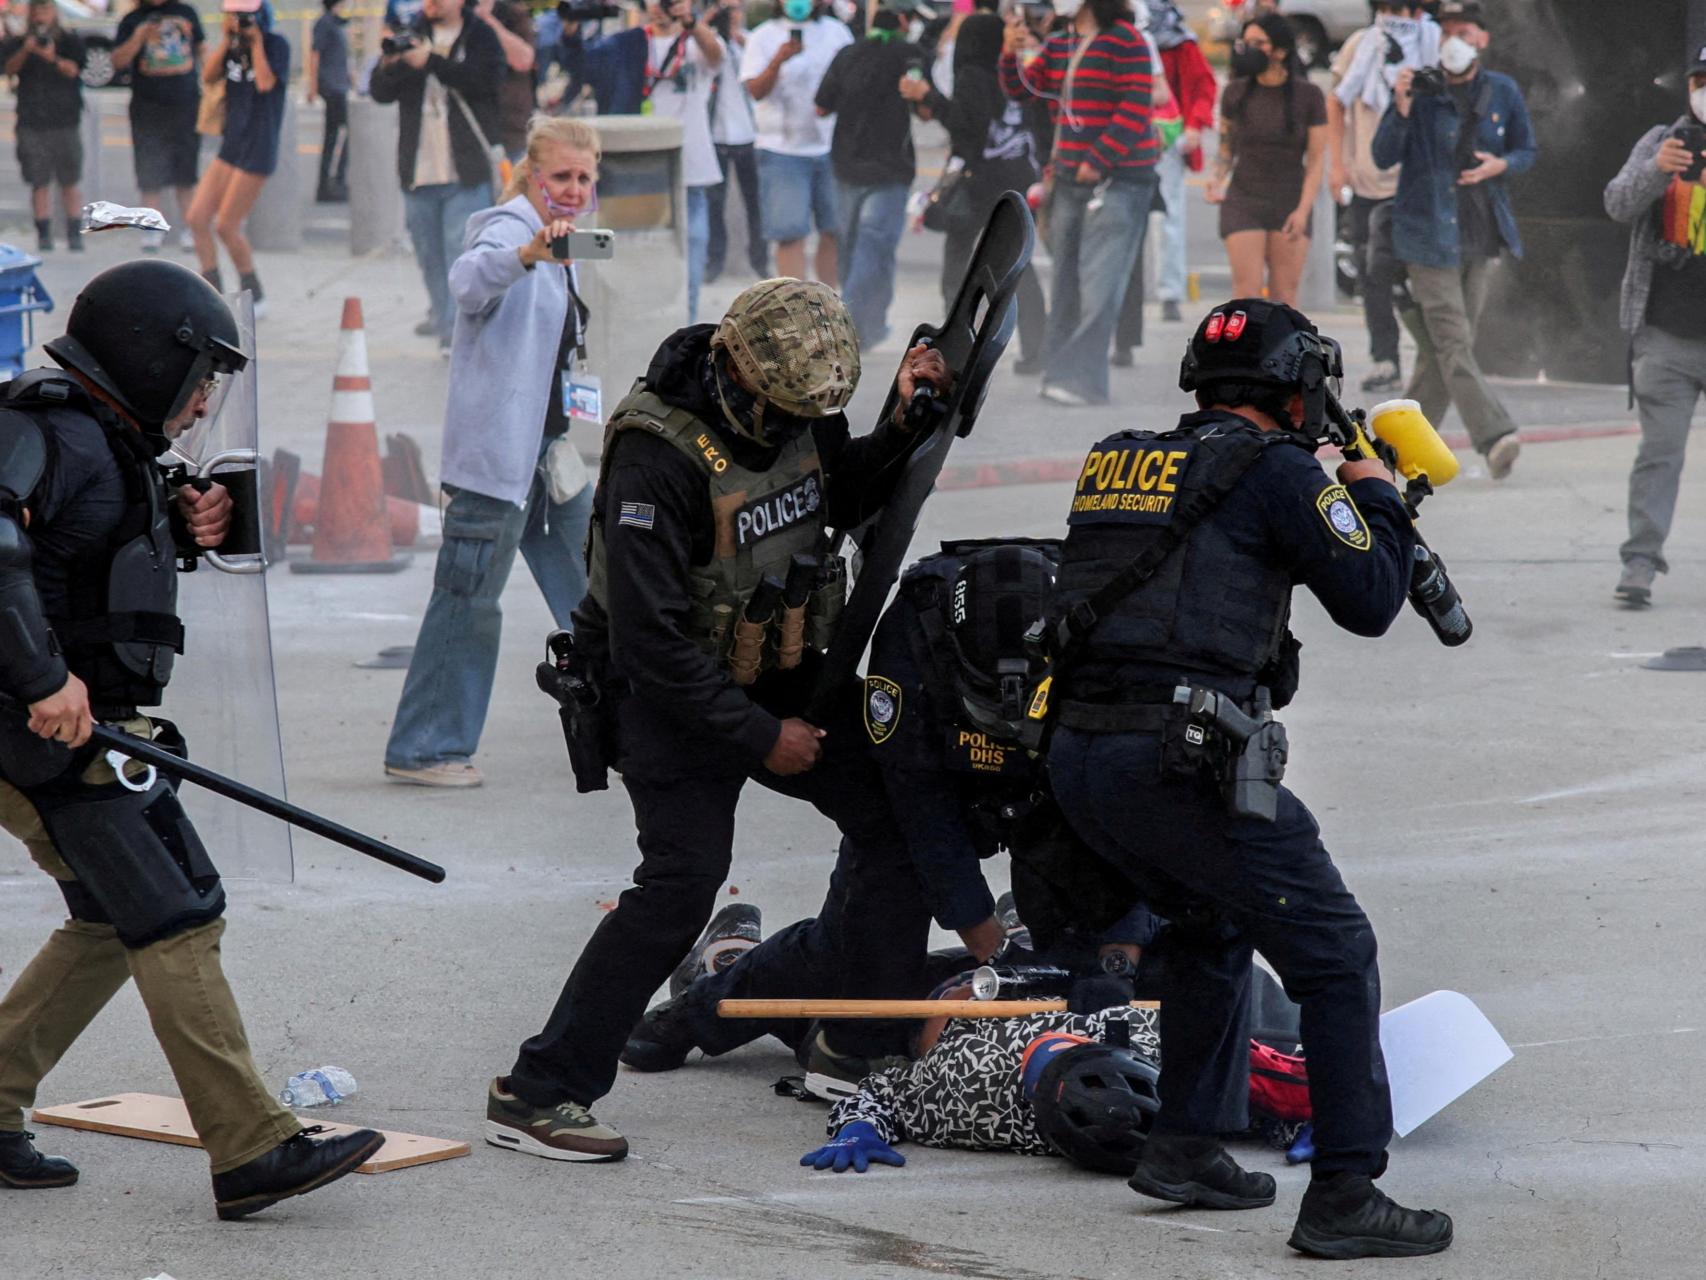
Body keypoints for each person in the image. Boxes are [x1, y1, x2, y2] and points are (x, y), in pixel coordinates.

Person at [486, 279, 949, 1162]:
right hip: (667, 697)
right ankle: (540, 1090)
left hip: (777, 668)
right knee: (678, 893)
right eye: (778, 412)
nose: (789, 428)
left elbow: (834, 498)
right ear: (735, 364)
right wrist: (760, 737)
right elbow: (650, 643)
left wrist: (898, 421)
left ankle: (854, 1037)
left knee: (897, 811)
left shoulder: (799, 403)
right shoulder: (654, 456)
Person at [1042, 298, 1452, 1260]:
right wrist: (1377, 493)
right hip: (1184, 758)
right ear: (1299, 389)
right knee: (1335, 952)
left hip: (1080, 758)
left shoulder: (1120, 454)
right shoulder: (1274, 472)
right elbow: (1370, 600)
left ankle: (1184, 1144)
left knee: (1209, 923)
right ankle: (1348, 1191)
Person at [0, 259, 383, 1217]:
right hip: (40, 724)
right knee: (176, 913)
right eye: (198, 373)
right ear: (144, 354)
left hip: (74, 725)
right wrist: (43, 678)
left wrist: (178, 518)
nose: (204, 395)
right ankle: (252, 1148)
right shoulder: (45, 426)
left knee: (108, 916)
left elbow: (77, 551)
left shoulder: (106, 438)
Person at [622, 540, 1160, 1080]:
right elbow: (924, 818)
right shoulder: (911, 640)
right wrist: (991, 949)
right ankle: (705, 999)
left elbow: (1129, 810)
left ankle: (1020, 951)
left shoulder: (1104, 633)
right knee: (864, 994)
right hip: (930, 785)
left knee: (1120, 975)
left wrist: (1118, 955)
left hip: (1055, 789)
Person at [384, 117, 600, 789]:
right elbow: (469, 281)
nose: (573, 188)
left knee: (602, 591)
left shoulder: (566, 244)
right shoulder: (507, 230)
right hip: (497, 464)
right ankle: (423, 747)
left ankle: (630, 725)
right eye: (560, 176)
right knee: (468, 600)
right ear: (533, 176)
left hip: (548, 456)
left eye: (585, 177)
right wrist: (527, 254)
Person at [1373, 0, 1534, 479]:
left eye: (1464, 30)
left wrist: (1500, 165)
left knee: (1443, 349)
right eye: (1445, 32)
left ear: (1482, 38)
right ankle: (1495, 436)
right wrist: (1400, 106)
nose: (1454, 40)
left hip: (1480, 235)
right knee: (1454, 340)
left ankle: (1394, 451)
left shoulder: (1502, 90)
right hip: (1427, 237)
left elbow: (1526, 148)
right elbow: (1383, 155)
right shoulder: (1422, 88)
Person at [1000, 0, 1159, 408]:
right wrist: (1009, 52)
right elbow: (1024, 89)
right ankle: (1059, 374)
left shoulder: (1127, 41)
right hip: (1070, 178)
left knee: (1100, 284)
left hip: (1118, 179)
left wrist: (1098, 158)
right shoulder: (1061, 43)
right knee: (1066, 280)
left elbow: (1136, 105)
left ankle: (1083, 380)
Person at [1604, 47, 1706, 607]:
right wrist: (1655, 171)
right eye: (1699, 79)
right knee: (1659, 456)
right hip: (1666, 337)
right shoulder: (1661, 140)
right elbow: (1617, 203)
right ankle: (1640, 563)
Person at [902, 14, 1047, 377]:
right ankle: (1038, 350)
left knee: (958, 269)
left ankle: (955, 350)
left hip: (980, 184)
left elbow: (967, 129)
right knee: (1019, 271)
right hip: (1018, 179)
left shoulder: (973, 76)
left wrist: (929, 99)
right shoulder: (1016, 74)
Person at [371, 0, 504, 350]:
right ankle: (445, 322)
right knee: (429, 256)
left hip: (465, 169)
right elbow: (380, 92)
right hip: (418, 170)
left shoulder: (480, 35)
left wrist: (431, 62)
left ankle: (457, 333)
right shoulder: (410, 31)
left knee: (460, 255)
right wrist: (389, 62)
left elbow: (486, 83)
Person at [1328, 1, 1435, 394]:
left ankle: (1432, 357)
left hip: (1416, 184)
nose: (1401, 20)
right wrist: (1337, 165)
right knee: (1372, 273)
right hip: (1368, 180)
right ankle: (1385, 358)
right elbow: (1337, 101)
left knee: (1416, 279)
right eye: (1393, 10)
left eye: (1409, 12)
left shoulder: (1432, 46)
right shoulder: (1361, 44)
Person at [814, 0, 926, 347]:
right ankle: (855, 322)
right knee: (875, 246)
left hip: (847, 165)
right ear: (904, 22)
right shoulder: (911, 56)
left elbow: (820, 107)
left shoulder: (847, 54)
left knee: (853, 246)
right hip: (890, 169)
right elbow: (923, 108)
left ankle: (867, 325)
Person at [1208, 14, 1327, 307]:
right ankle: (1244, 353)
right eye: (1246, 42)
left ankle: (1282, 353)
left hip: (1289, 199)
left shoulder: (1308, 96)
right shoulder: (1235, 92)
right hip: (1245, 197)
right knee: (1246, 294)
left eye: (1258, 43)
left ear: (1279, 50)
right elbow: (1226, 148)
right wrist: (1216, 179)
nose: (1249, 49)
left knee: (1283, 297)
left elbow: (1315, 162)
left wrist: (1303, 210)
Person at [185, 0, 291, 312]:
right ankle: (211, 289)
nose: (238, 20)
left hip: (259, 146)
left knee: (227, 225)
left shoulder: (276, 45)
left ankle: (255, 294)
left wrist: (256, 41)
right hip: (231, 142)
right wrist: (227, 40)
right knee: (197, 217)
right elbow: (208, 75)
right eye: (233, 15)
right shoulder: (232, 47)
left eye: (244, 15)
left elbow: (265, 83)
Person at [741, 0, 854, 284]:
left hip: (830, 145)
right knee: (790, 233)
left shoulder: (836, 33)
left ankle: (828, 307)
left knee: (835, 230)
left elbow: (852, 81)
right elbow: (755, 90)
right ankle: (798, 310)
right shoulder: (763, 36)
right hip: (781, 150)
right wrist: (778, 60)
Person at [641, 0, 726, 324]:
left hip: (692, 164)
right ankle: (653, 321)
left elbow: (716, 56)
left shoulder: (697, 41)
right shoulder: (637, 42)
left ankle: (686, 321)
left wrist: (691, 23)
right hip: (646, 165)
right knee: (649, 251)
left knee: (692, 251)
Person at [1141, 0, 1215, 327]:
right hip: (1127, 135)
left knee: (1168, 218)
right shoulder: (1127, 39)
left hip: (1169, 139)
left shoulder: (1182, 45)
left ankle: (1170, 292)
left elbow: (1203, 86)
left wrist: (1194, 125)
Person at [113, 0, 206, 252]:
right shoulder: (133, 20)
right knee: (148, 168)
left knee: (186, 170)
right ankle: (151, 229)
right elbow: (118, 61)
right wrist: (140, 35)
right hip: (147, 103)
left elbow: (203, 48)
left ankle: (190, 228)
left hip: (184, 102)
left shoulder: (186, 13)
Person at [0, 0, 86, 254]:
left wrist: (52, 57)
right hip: (31, 120)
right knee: (39, 181)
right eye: (36, 11)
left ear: (55, 13)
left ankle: (74, 233)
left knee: (69, 180)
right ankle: (43, 234)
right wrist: (27, 50)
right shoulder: (19, 42)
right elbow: (8, 69)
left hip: (65, 119)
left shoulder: (68, 40)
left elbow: (74, 70)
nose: (40, 16)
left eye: (45, 10)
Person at [706, 0, 769, 282]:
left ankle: (760, 260)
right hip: (718, 134)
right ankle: (715, 260)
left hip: (748, 134)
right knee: (714, 205)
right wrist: (710, 19)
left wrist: (741, 40)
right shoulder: (710, 43)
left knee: (755, 204)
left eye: (736, 9)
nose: (733, 15)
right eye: (727, 10)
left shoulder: (753, 42)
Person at [475, 0, 538, 161]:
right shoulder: (446, 16)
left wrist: (486, 18)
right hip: (465, 130)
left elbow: (523, 60)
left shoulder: (513, 14)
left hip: (509, 128)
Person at [307, 0, 353, 203]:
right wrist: (313, 86)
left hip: (339, 84)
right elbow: (315, 53)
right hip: (332, 86)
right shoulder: (325, 23)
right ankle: (331, 181)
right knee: (338, 134)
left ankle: (332, 180)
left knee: (338, 134)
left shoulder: (335, 23)